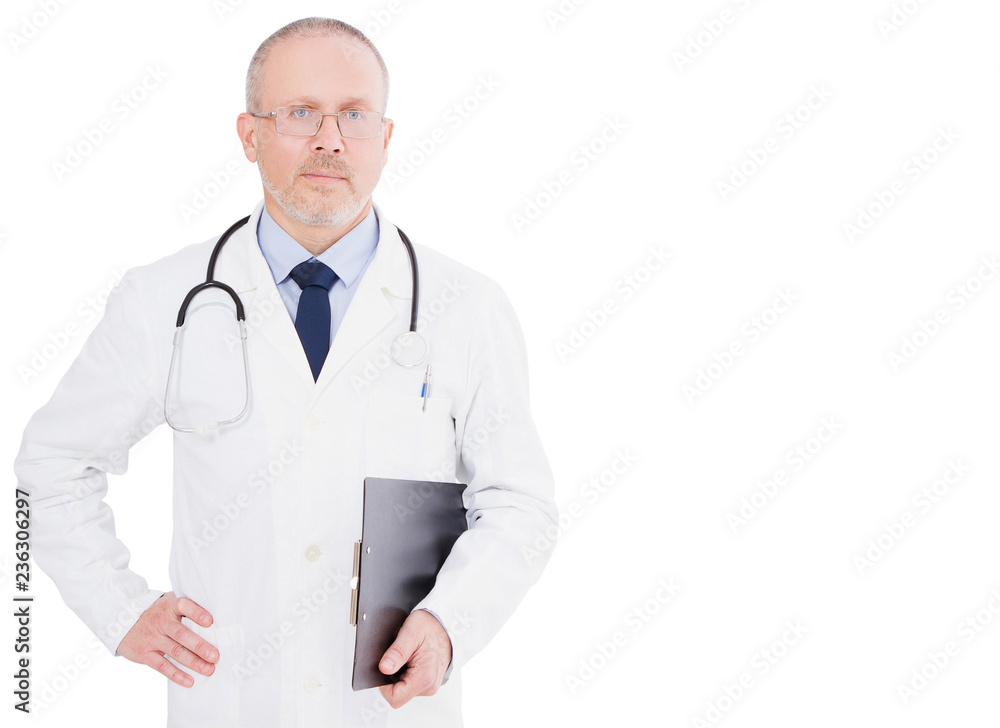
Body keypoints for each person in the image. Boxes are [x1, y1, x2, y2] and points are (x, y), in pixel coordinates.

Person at [13, 17, 558, 727]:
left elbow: (521, 505)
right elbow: (51, 467)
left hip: (391, 708)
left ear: (384, 140)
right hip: (234, 700)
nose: (330, 140)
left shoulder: (467, 307)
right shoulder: (162, 301)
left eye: (354, 115)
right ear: (250, 134)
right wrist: (119, 611)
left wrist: (451, 622)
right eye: (301, 113)